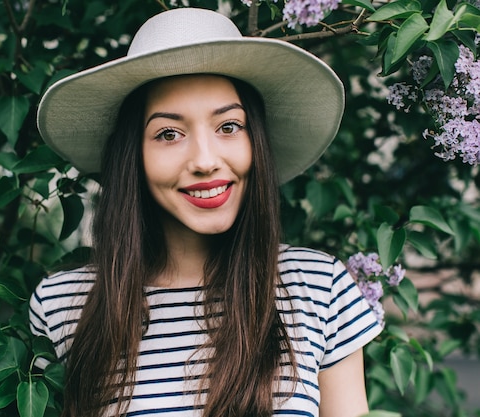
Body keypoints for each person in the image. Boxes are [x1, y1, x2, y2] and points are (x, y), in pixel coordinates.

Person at [30, 7, 383, 417]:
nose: (204, 160)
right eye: (168, 133)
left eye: (229, 126)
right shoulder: (63, 306)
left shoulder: (319, 289)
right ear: (134, 157)